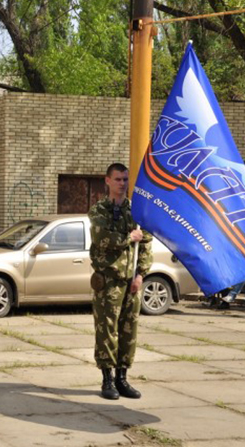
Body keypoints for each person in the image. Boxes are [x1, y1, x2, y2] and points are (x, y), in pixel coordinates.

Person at [88, 163, 153, 400]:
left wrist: (140, 275)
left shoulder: (136, 211)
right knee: (107, 331)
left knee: (128, 331)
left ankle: (122, 378)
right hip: (109, 280)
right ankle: (107, 380)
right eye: (118, 179)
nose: (122, 184)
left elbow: (145, 243)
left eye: (125, 179)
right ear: (107, 181)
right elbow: (101, 237)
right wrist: (129, 238)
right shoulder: (99, 210)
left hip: (131, 282)